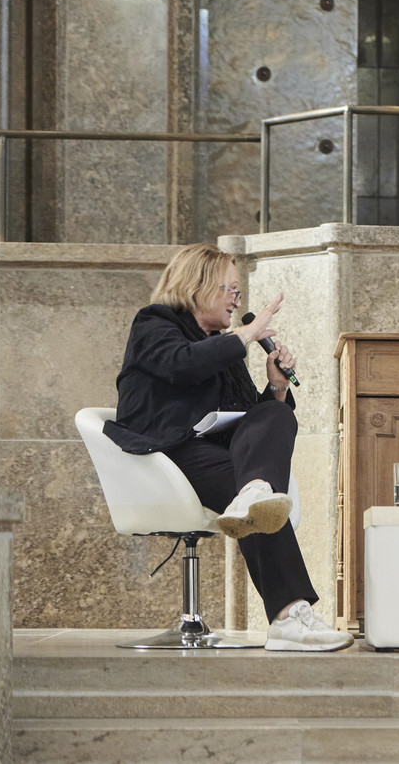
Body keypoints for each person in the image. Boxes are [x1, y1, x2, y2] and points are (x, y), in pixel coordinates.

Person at [103, 243, 352, 652]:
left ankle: (255, 494)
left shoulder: (223, 342)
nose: (238, 301)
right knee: (261, 498)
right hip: (167, 456)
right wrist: (247, 335)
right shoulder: (154, 323)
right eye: (231, 290)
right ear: (199, 286)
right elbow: (183, 363)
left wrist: (275, 386)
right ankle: (289, 616)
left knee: (275, 420)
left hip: (220, 456)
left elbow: (249, 419)